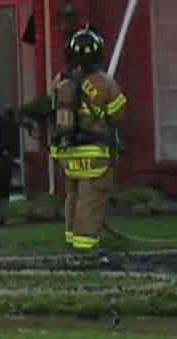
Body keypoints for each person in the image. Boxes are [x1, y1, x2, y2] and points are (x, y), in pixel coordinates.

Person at [50, 25, 127, 252]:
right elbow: (119, 116)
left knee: (73, 196)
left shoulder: (61, 82)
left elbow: (53, 110)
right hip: (94, 154)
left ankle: (71, 240)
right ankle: (85, 250)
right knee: (90, 199)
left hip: (68, 153)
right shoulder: (105, 83)